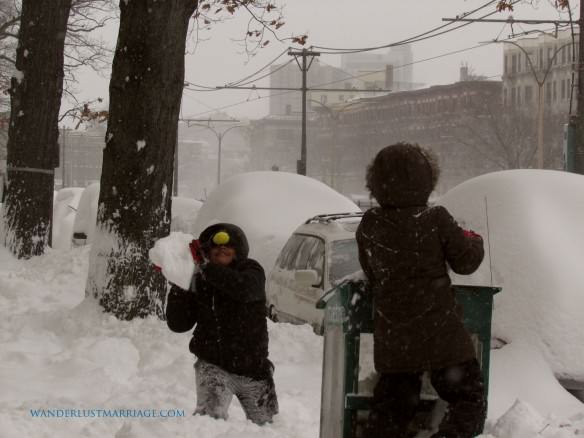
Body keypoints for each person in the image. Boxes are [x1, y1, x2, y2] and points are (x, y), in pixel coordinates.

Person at [355, 142, 486, 438]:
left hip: (395, 337)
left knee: (391, 412)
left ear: (375, 184)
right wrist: (474, 239)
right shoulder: (435, 219)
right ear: (427, 180)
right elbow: (466, 262)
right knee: (469, 401)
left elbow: (371, 270)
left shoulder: (370, 224)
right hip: (441, 334)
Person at [165, 223, 278, 425]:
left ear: (239, 251)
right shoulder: (199, 279)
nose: (221, 249)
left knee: (268, 427)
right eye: (215, 247)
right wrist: (179, 283)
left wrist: (206, 268)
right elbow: (179, 324)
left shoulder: (251, 270)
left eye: (228, 246)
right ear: (207, 252)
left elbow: (245, 290)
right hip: (213, 367)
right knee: (209, 423)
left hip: (255, 370)